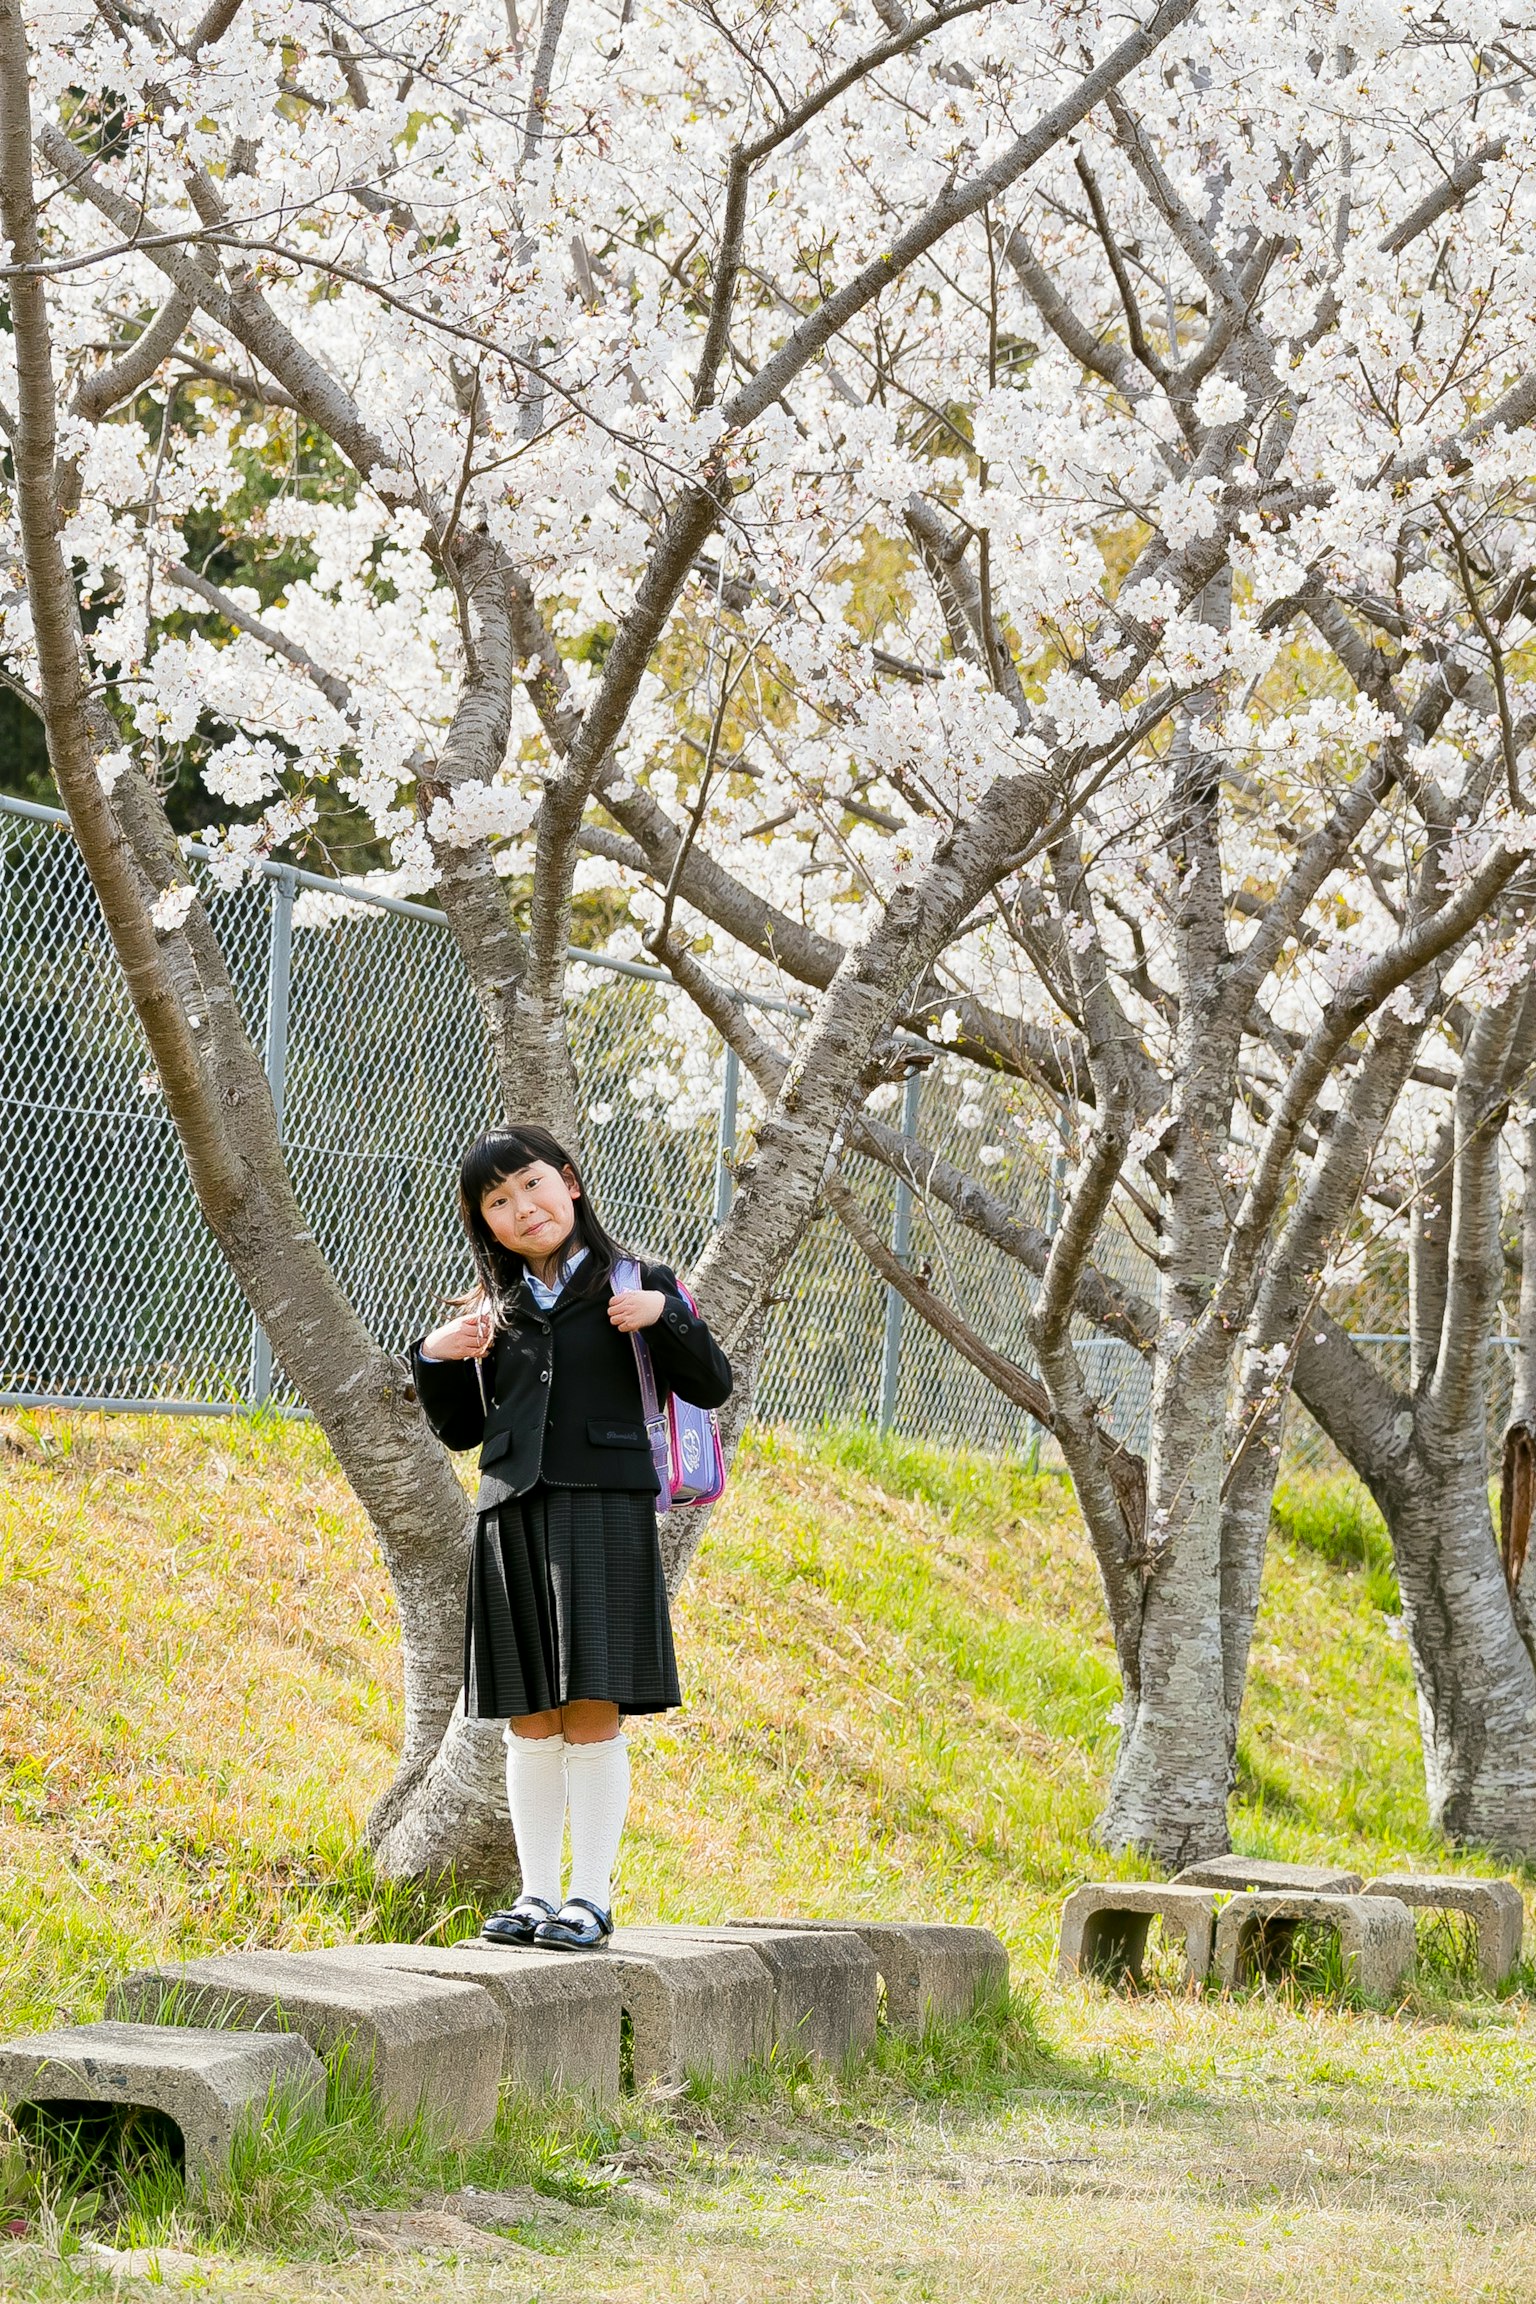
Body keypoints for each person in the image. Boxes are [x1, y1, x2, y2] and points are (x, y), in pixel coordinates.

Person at [411, 1122, 732, 1950]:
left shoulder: (636, 1281)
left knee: (590, 1712)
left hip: (604, 1511)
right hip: (510, 1513)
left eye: (531, 1185)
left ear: (571, 1182)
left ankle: (590, 1897)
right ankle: (536, 1896)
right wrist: (435, 1360)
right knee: (529, 1716)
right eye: (497, 1201)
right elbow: (461, 1430)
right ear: (484, 1224)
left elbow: (711, 1382)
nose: (522, 1208)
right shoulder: (491, 1310)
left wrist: (664, 1315)